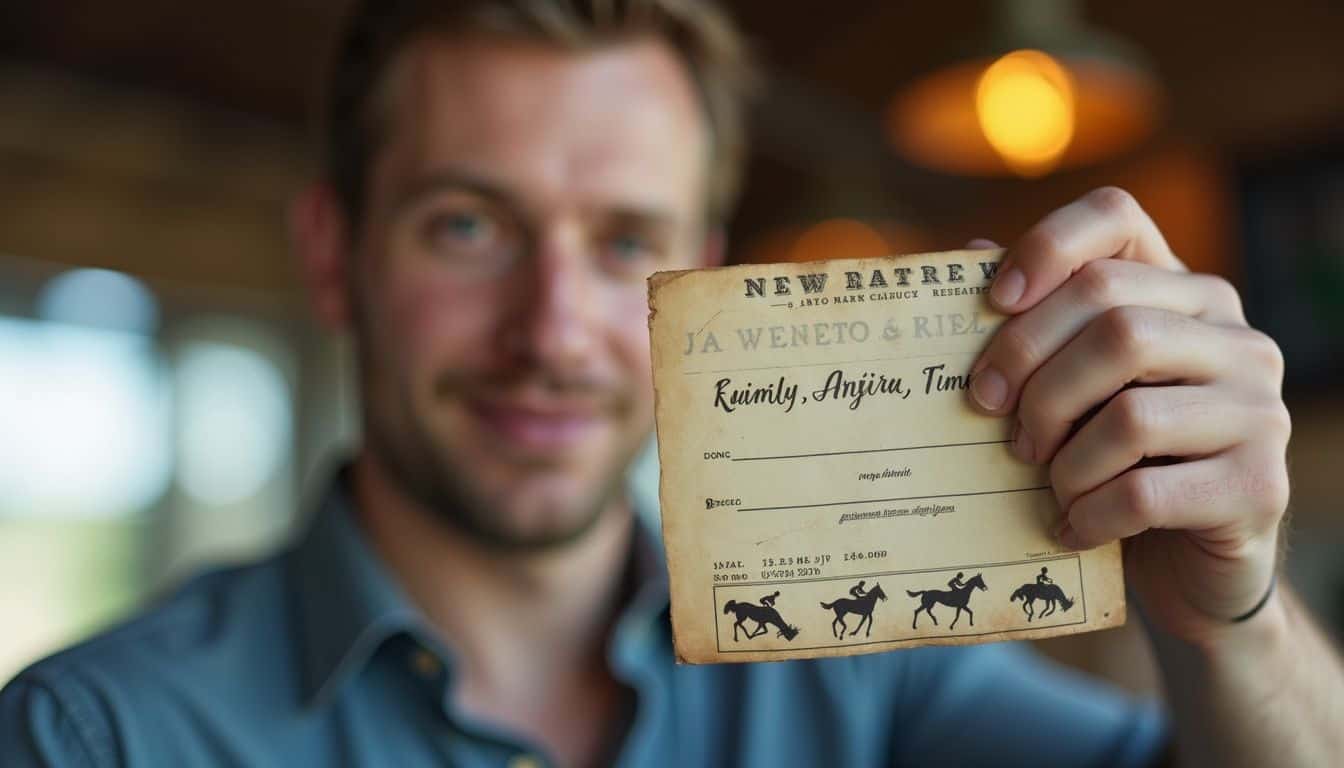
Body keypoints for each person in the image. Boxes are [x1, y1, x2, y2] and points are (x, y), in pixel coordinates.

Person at [3, 1, 1342, 766]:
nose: (555, 330)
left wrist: (1233, 619)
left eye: (625, 244)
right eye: (467, 225)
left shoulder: (861, 684)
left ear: (695, 283)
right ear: (333, 255)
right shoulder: (95, 737)